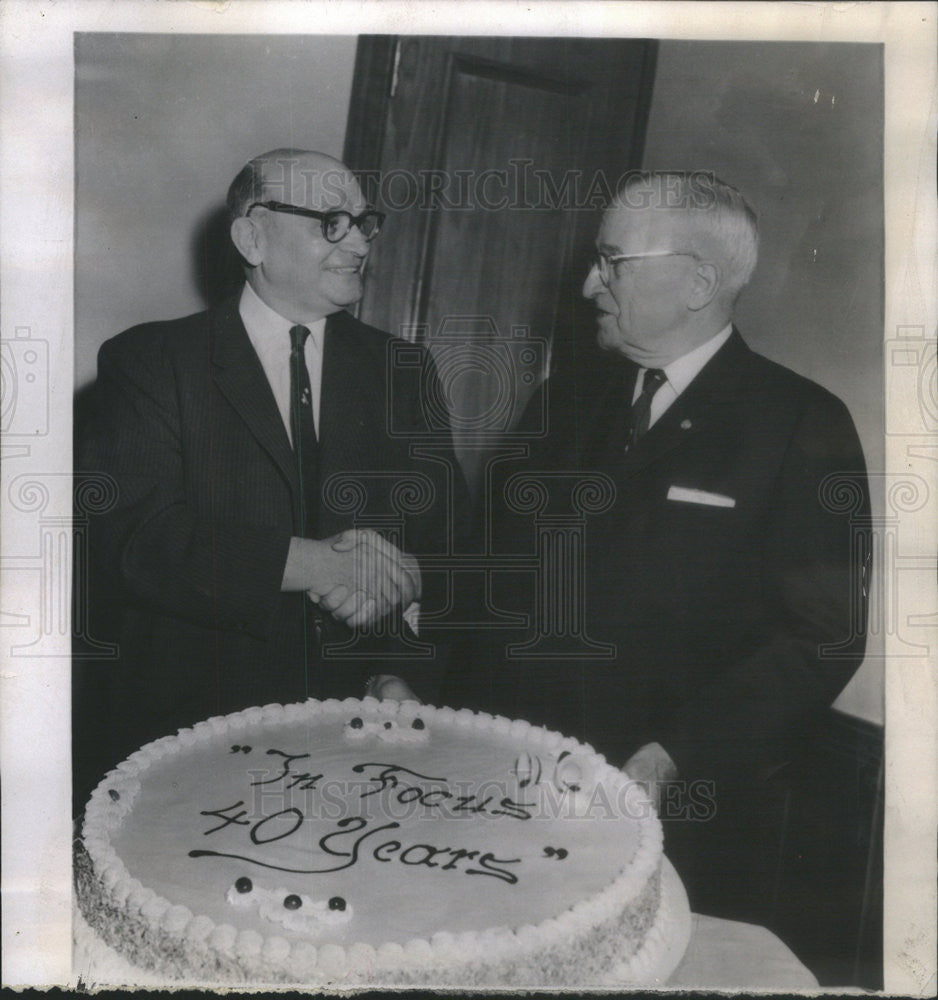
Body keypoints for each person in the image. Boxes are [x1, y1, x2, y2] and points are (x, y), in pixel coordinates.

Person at [468, 171, 870, 920]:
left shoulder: (800, 422)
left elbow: (823, 636)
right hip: (517, 794)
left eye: (613, 261)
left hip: (682, 815)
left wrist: (674, 753)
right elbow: (492, 572)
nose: (591, 284)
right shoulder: (564, 403)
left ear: (699, 283)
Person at [76, 149, 469, 802]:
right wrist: (318, 564)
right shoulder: (150, 361)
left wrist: (399, 676)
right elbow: (135, 539)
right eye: (332, 222)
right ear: (252, 236)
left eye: (366, 223)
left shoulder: (405, 371)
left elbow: (449, 546)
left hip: (361, 745)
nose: (360, 242)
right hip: (189, 745)